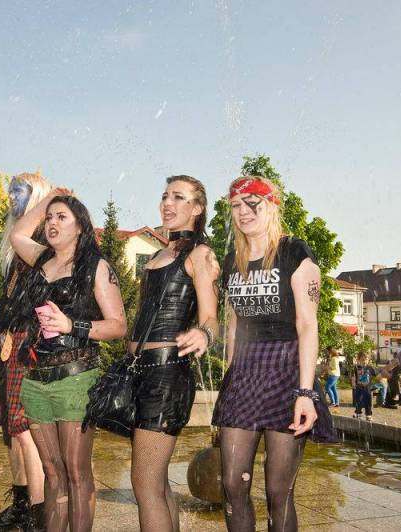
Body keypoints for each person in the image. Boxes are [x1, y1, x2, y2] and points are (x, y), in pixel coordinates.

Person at [10, 189, 127, 532]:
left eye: (62, 217)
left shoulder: (95, 266)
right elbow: (18, 234)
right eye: (49, 218)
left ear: (80, 226)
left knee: (76, 472)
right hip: (35, 380)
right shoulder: (41, 258)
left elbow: (119, 325)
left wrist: (71, 325)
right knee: (52, 471)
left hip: (76, 379)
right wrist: (49, 199)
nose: (52, 223)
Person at [212, 176, 320, 532]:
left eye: (252, 204)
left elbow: (307, 325)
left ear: (271, 205)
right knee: (232, 483)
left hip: (287, 369)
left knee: (278, 491)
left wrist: (305, 393)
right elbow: (233, 325)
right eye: (236, 206)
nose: (243, 212)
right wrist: (229, 381)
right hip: (245, 372)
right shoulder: (233, 260)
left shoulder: (294, 252)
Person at [127, 175, 219, 531]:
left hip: (166, 375)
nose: (167, 203)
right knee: (157, 482)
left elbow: (212, 318)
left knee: (144, 482)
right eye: (165, 196)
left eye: (178, 197)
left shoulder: (200, 253)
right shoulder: (157, 254)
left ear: (196, 208)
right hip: (140, 372)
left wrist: (203, 334)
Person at [0, 172, 51, 532]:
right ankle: (21, 507)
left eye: (18, 191)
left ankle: (38, 517)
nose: (10, 197)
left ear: (36, 196)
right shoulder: (15, 248)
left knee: (25, 430)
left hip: (31, 342)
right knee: (10, 429)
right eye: (10, 192)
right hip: (12, 340)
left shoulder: (42, 238)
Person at [351, 352, 376, 421]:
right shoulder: (356, 368)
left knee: (368, 401)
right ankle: (358, 412)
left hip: (367, 388)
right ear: (358, 360)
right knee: (358, 400)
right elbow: (353, 377)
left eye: (366, 360)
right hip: (359, 388)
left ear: (368, 360)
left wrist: (374, 385)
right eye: (362, 360)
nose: (364, 361)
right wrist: (353, 384)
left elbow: (375, 376)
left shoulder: (370, 368)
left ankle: (368, 414)